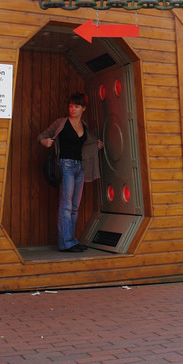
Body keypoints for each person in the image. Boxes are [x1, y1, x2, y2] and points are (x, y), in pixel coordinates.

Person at [38, 92, 103, 252]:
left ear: (83, 108)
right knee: (66, 205)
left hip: (80, 167)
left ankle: (72, 240)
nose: (73, 109)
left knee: (74, 206)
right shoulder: (61, 122)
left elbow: (89, 144)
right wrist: (45, 142)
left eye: (76, 106)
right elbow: (42, 136)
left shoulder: (84, 126)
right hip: (65, 165)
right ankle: (66, 242)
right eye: (71, 106)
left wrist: (97, 144)